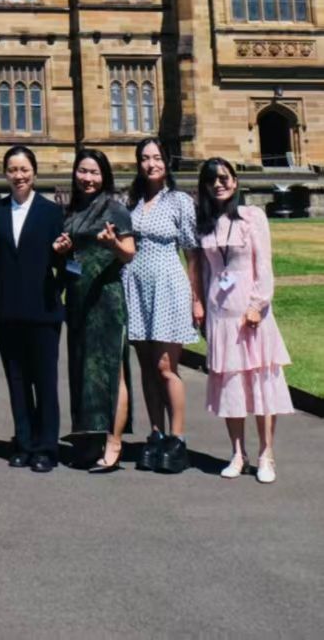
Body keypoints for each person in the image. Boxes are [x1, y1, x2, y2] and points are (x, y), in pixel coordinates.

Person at [191, 157, 293, 483]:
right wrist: (200, 307)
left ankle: (266, 454)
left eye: (224, 178)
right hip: (220, 316)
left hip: (252, 315)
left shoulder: (252, 217)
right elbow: (204, 271)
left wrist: (257, 305)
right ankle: (238, 453)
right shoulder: (205, 224)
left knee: (261, 383)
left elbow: (264, 266)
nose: (218, 184)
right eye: (211, 180)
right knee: (230, 386)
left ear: (235, 181)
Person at [55, 146, 136, 473]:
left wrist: (113, 243)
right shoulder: (73, 210)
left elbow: (129, 253)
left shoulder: (115, 209)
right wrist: (62, 250)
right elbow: (72, 258)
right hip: (78, 298)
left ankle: (114, 443)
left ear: (104, 176)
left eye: (94, 172)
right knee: (84, 371)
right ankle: (89, 440)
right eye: (83, 171)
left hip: (106, 299)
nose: (87, 178)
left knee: (112, 371)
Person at [125, 136, 197, 475]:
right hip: (136, 288)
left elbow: (192, 253)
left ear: (167, 162)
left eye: (156, 157)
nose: (150, 163)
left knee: (166, 367)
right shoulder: (134, 201)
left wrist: (196, 298)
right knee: (147, 368)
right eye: (144, 158)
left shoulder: (179, 201)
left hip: (168, 287)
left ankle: (177, 439)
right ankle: (156, 434)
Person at [0, 144, 64, 474]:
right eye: (12, 170)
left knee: (44, 382)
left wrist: (62, 254)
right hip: (7, 311)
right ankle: (23, 442)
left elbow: (64, 261)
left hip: (43, 310)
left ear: (34, 172)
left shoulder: (51, 212)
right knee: (17, 381)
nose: (18, 175)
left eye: (24, 169)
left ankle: (46, 446)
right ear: (5, 174)